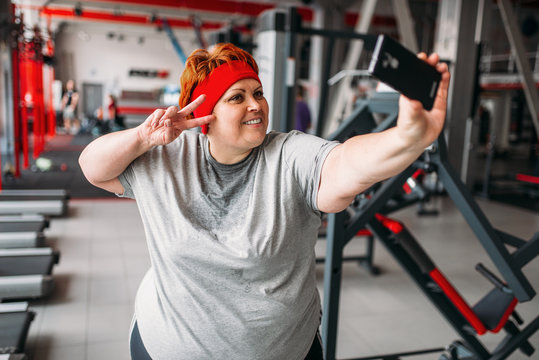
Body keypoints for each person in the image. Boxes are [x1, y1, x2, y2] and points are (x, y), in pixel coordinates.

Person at [79, 43, 450, 360]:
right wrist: (143, 138)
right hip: (165, 344)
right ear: (204, 114)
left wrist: (407, 138)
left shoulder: (288, 155)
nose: (255, 105)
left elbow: (344, 166)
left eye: (258, 93)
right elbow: (92, 167)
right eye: (237, 97)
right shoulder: (166, 157)